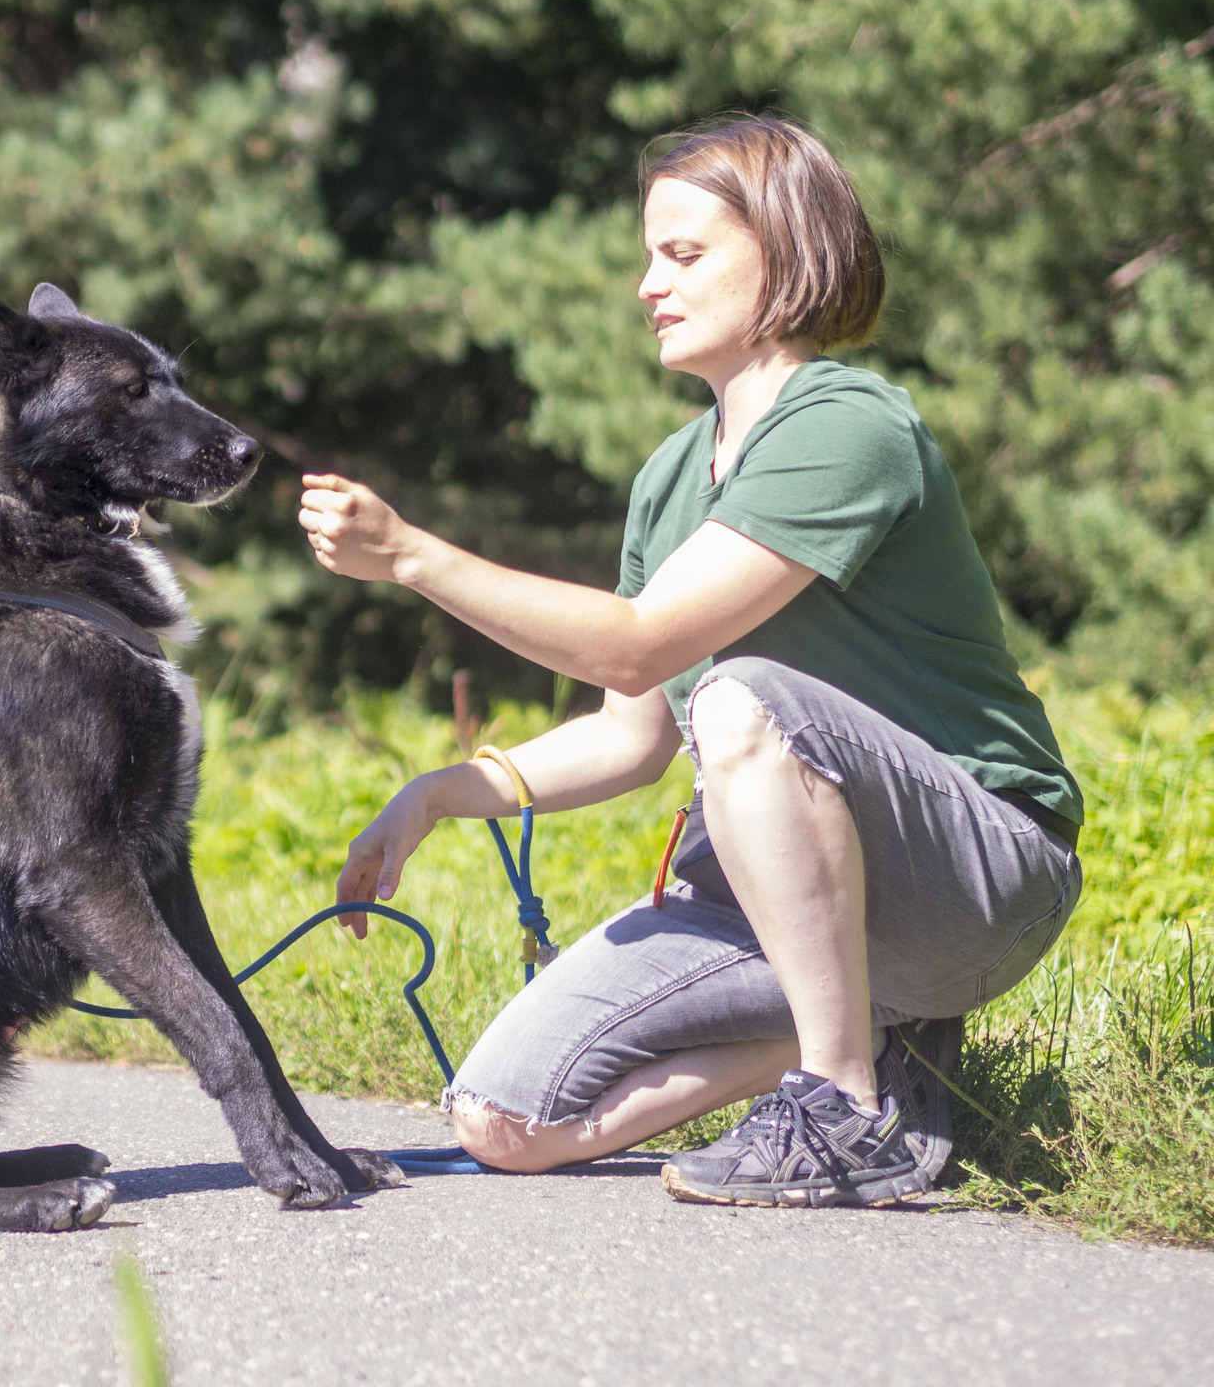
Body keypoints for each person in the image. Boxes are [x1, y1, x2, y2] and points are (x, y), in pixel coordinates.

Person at [296, 117, 1082, 1206]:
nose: (644, 285)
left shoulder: (845, 422)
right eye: (647, 255)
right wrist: (441, 793)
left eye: (683, 254)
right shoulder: (668, 477)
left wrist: (414, 559)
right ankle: (884, 1043)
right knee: (505, 1123)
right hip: (792, 900)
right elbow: (629, 730)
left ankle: (848, 1110)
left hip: (977, 873)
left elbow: (645, 644)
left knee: (742, 695)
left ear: (788, 253)